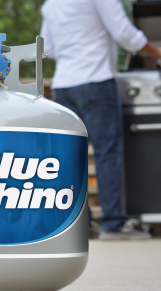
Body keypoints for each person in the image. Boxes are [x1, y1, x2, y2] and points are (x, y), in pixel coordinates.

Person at [40, 0, 161, 240]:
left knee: (71, 156)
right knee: (107, 152)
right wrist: (157, 52)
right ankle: (113, 223)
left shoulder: (51, 3)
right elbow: (125, 34)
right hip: (96, 80)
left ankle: (79, 225)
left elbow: (48, 48)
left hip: (63, 85)